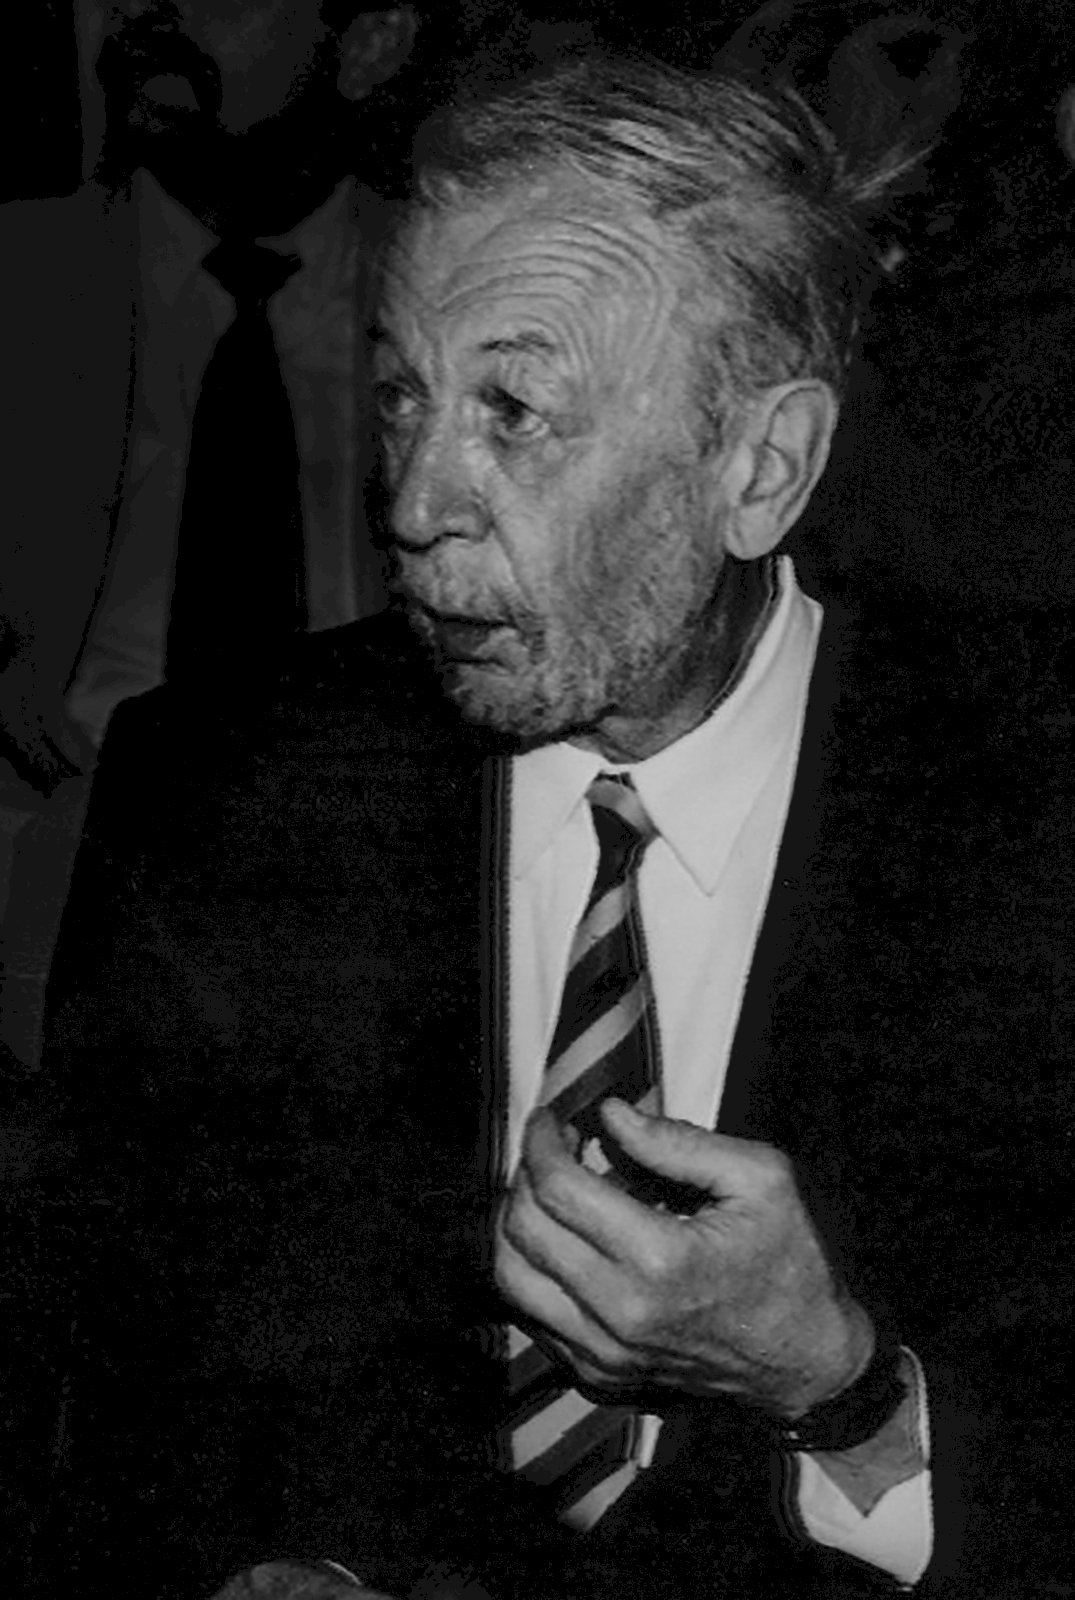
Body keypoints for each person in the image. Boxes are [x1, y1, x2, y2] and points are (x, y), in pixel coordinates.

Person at [28, 52, 1069, 1600]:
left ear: (762, 468)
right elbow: (109, 1374)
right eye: (403, 392)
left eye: (515, 412)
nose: (415, 502)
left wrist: (836, 1385)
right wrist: (252, 1562)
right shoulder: (222, 788)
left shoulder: (1026, 811)